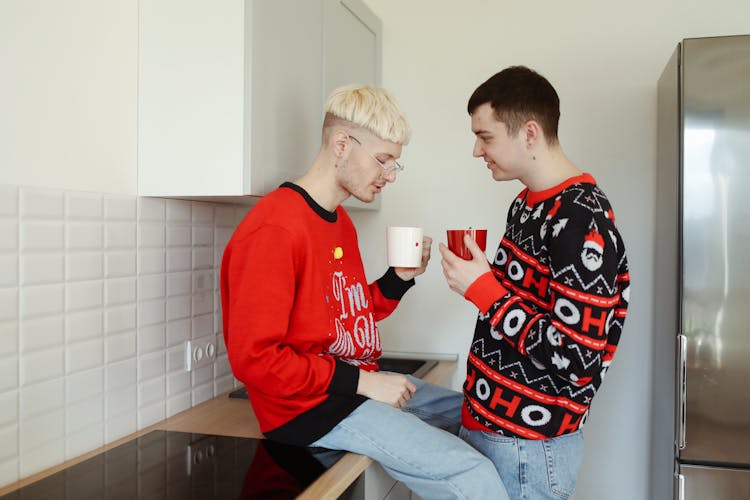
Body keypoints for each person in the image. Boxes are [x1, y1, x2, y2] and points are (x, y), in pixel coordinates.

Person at [221, 84, 507, 499]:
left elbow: (345, 315)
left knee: (485, 418)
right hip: (308, 411)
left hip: (349, 388)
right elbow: (256, 361)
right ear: (341, 143)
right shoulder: (275, 229)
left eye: (395, 163)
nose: (390, 175)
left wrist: (400, 278)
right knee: (470, 472)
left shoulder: (340, 223)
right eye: (383, 160)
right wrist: (363, 383)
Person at [438, 66, 631, 499]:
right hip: (496, 432)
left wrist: (485, 291)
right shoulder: (526, 203)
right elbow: (523, 306)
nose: (476, 150)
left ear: (529, 133)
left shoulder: (581, 217)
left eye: (485, 137)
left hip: (529, 449)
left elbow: (577, 357)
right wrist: (485, 279)